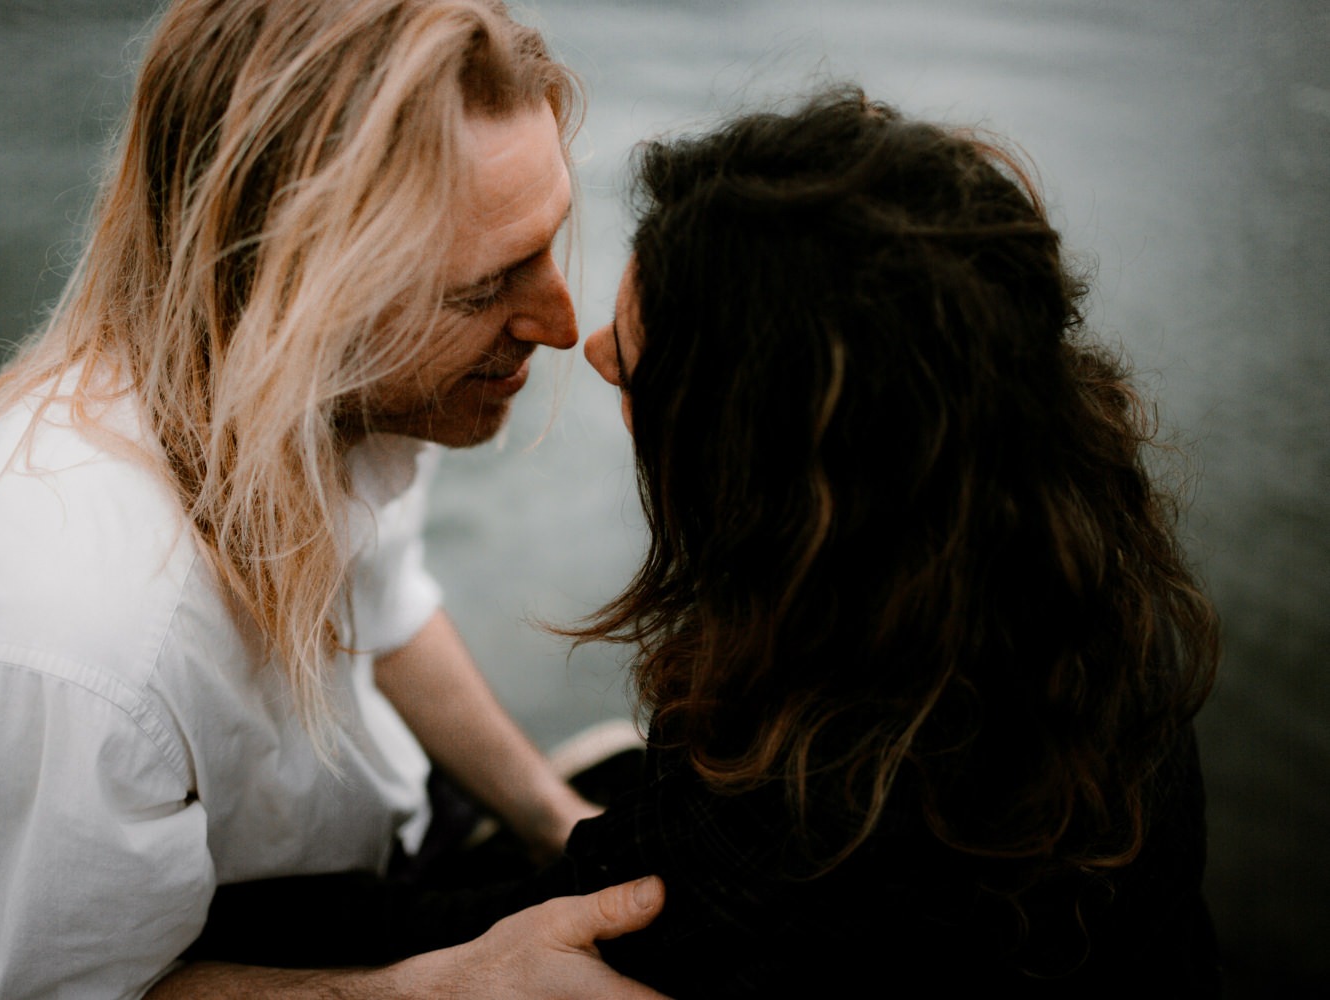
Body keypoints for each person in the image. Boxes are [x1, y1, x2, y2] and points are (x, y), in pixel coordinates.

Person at [234, 86, 1222, 994]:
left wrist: (181, 945)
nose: (590, 343)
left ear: (761, 479)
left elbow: (491, 934)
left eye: (636, 374)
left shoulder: (802, 819)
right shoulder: (1103, 609)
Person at [0, 1, 666, 997]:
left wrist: (556, 824)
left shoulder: (334, 394)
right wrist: (457, 984)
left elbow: (383, 613)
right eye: (482, 289)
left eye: (550, 240)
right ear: (288, 288)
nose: (563, 326)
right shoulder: (58, 638)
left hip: (389, 846)